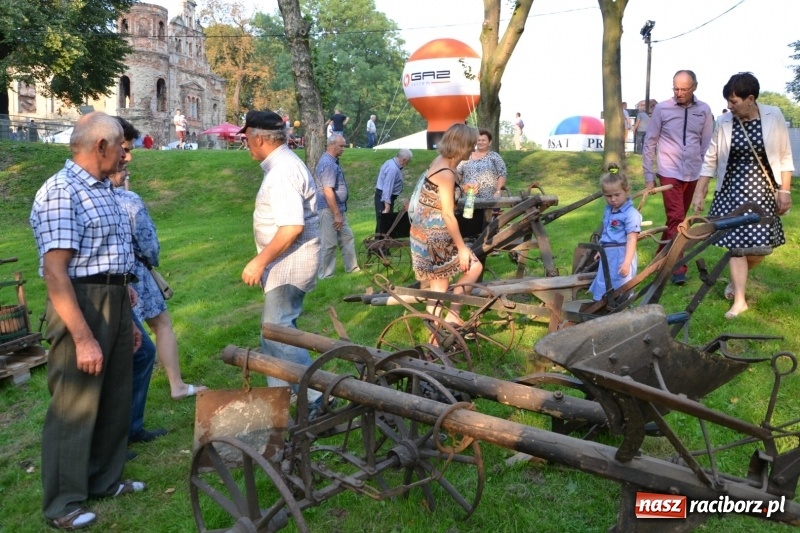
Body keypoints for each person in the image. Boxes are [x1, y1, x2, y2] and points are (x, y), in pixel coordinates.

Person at [30, 111, 146, 530]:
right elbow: (56, 272)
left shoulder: (104, 190)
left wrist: (126, 316)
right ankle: (62, 502)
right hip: (79, 302)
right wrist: (83, 337)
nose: (125, 156)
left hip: (115, 298)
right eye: (120, 147)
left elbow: (110, 255)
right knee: (75, 401)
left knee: (114, 392)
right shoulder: (61, 191)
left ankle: (104, 479)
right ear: (100, 146)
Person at [111, 118, 207, 403]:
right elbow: (149, 243)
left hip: (110, 281)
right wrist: (151, 260)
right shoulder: (129, 200)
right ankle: (175, 385)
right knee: (161, 325)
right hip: (135, 277)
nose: (127, 158)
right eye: (125, 152)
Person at [691, 72, 793, 319]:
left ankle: (737, 280)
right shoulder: (724, 122)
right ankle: (739, 300)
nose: (729, 105)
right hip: (731, 192)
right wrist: (700, 191)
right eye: (727, 100)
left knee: (760, 248)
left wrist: (785, 190)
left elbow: (784, 155)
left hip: (762, 192)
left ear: (750, 98)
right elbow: (711, 160)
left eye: (734, 101)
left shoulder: (773, 115)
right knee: (736, 246)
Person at [238, 110, 323, 409]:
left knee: (278, 332)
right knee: (272, 333)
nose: (246, 144)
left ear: (258, 138)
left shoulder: (282, 172)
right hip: (288, 263)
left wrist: (259, 261)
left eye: (247, 138)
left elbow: (291, 227)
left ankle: (315, 397)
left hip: (289, 265)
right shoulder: (283, 165)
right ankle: (281, 401)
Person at [642, 69, 713, 285]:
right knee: (676, 218)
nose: (679, 93)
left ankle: (660, 258)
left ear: (695, 87)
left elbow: (707, 144)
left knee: (676, 219)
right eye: (676, 88)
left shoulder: (704, 110)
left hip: (692, 172)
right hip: (669, 172)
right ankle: (677, 267)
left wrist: (704, 179)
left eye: (684, 89)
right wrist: (648, 175)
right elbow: (650, 142)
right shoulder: (662, 109)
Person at [409, 123, 483, 325]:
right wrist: (462, 249)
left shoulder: (443, 162)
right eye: (472, 145)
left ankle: (439, 329)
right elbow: (449, 215)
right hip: (434, 236)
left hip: (423, 232)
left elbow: (440, 195)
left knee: (438, 287)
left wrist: (463, 188)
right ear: (462, 145)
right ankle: (449, 319)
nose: (474, 149)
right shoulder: (446, 172)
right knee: (471, 269)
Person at [588, 166, 642, 302]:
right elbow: (607, 231)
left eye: (617, 195)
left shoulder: (630, 214)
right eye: (608, 196)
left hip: (621, 254)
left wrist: (626, 263)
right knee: (605, 279)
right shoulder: (609, 210)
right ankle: (604, 305)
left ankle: (621, 305)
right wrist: (602, 249)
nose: (613, 199)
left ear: (626, 191)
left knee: (620, 282)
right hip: (608, 254)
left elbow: (632, 240)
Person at [315, 133, 360, 278]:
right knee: (329, 244)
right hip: (329, 210)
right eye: (341, 146)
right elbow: (328, 191)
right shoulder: (328, 164)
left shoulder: (332, 161)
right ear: (332, 145)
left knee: (347, 237)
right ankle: (326, 275)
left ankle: (352, 268)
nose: (344, 149)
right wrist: (336, 214)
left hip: (337, 209)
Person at [374, 149, 413, 233]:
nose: (407, 164)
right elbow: (387, 188)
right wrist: (387, 206)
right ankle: (381, 244)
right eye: (408, 161)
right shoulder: (393, 169)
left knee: (383, 222)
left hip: (383, 196)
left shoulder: (390, 162)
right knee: (384, 223)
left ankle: (380, 243)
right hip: (384, 198)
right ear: (404, 160)